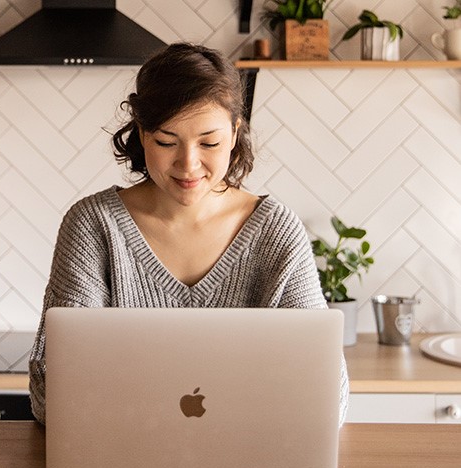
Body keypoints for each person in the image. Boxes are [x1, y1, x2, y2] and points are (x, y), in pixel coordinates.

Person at [28, 42, 348, 426]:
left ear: (234, 133)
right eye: (166, 142)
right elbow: (52, 395)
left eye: (209, 142)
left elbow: (328, 396)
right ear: (142, 134)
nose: (188, 164)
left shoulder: (276, 233)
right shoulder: (93, 227)